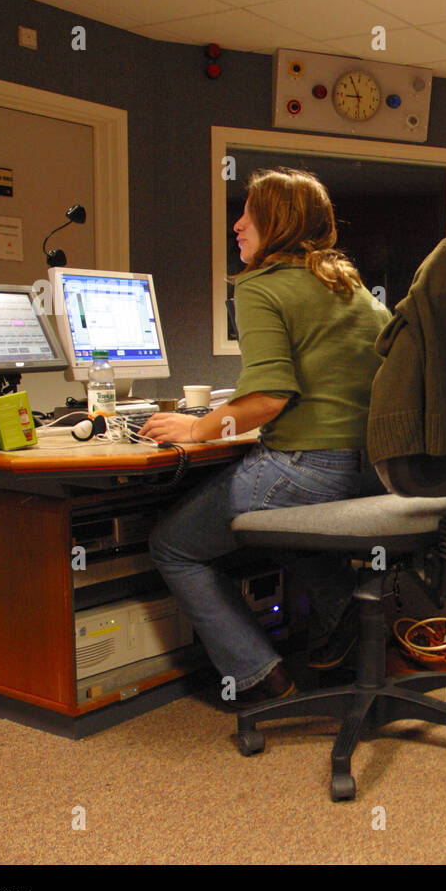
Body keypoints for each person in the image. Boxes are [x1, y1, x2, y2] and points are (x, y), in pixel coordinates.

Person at [143, 167, 389, 708]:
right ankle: (345, 613)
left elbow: (268, 399)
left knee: (173, 545)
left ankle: (260, 677)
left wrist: (195, 427)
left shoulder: (259, 286)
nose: (237, 224)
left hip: (310, 469)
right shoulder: (353, 290)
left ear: (275, 222)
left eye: (248, 213)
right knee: (275, 527)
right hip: (375, 473)